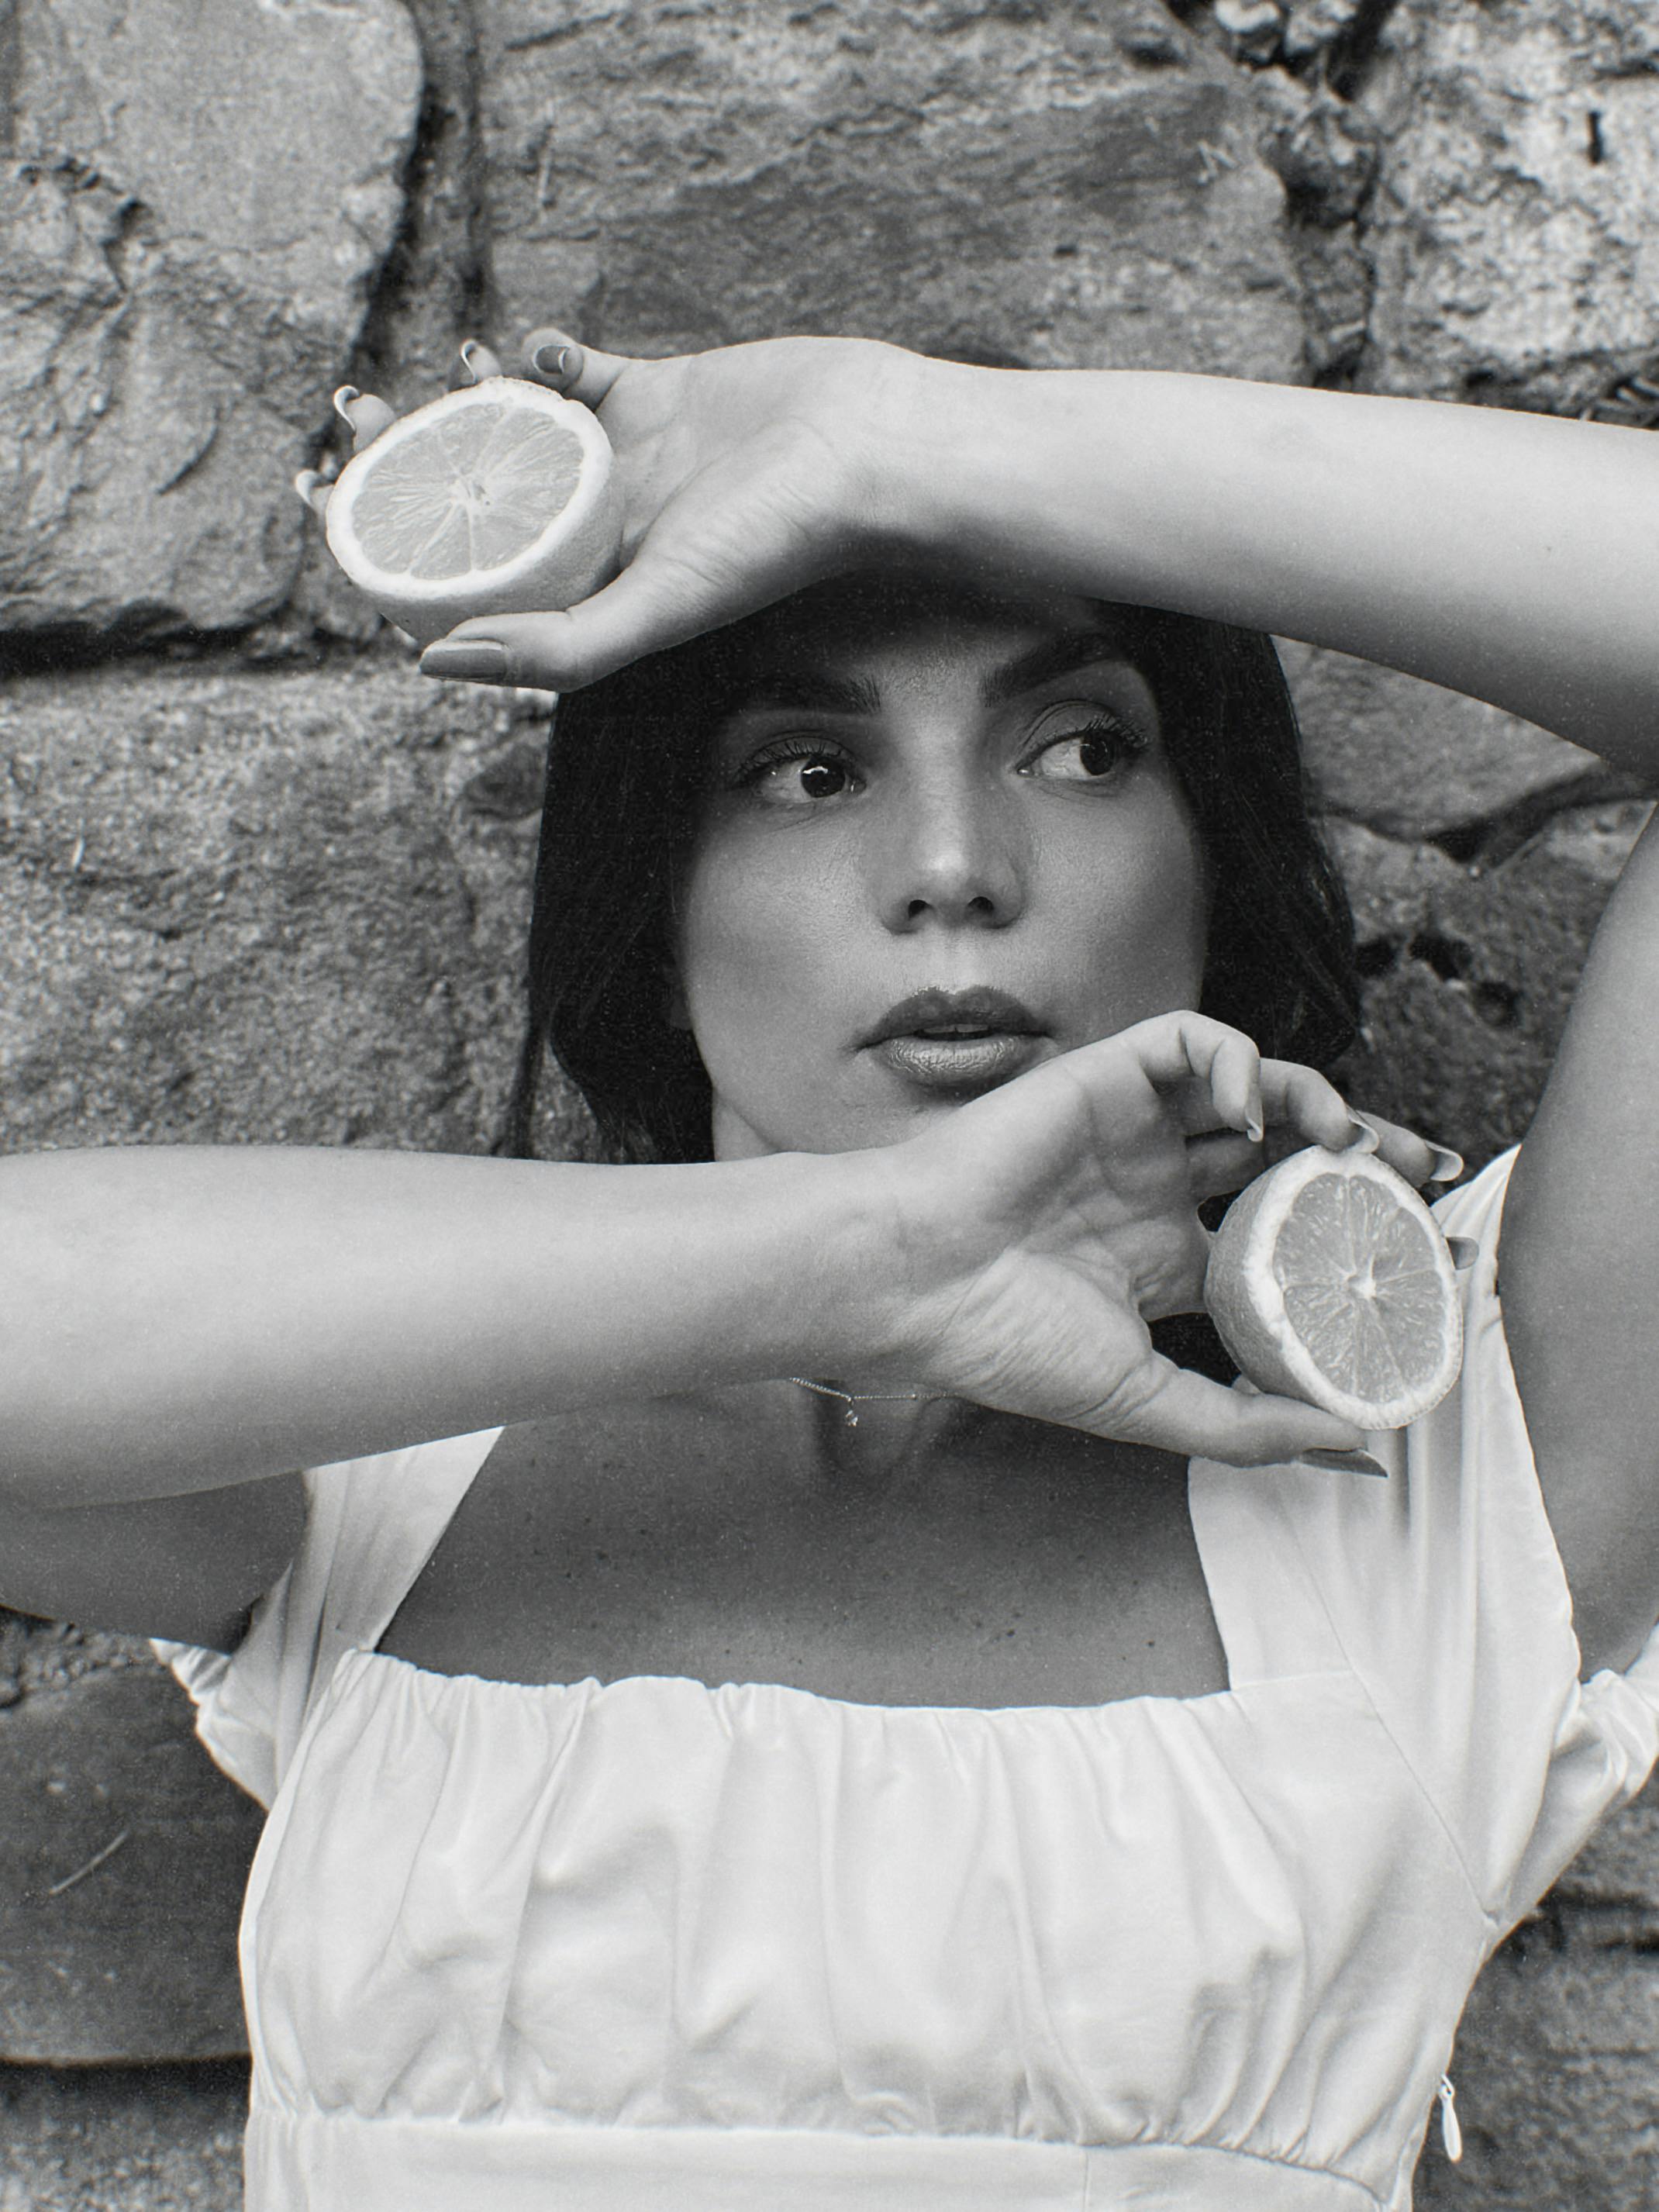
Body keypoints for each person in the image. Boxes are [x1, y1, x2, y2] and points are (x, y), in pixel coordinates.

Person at [2, 329, 1656, 2210]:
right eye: (804, 769)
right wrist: (868, 1254)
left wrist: (908, 438)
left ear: (1214, 858)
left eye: (1083, 745)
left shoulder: (1453, 1498)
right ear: (659, 889)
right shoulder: (378, 1442)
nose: (952, 863)